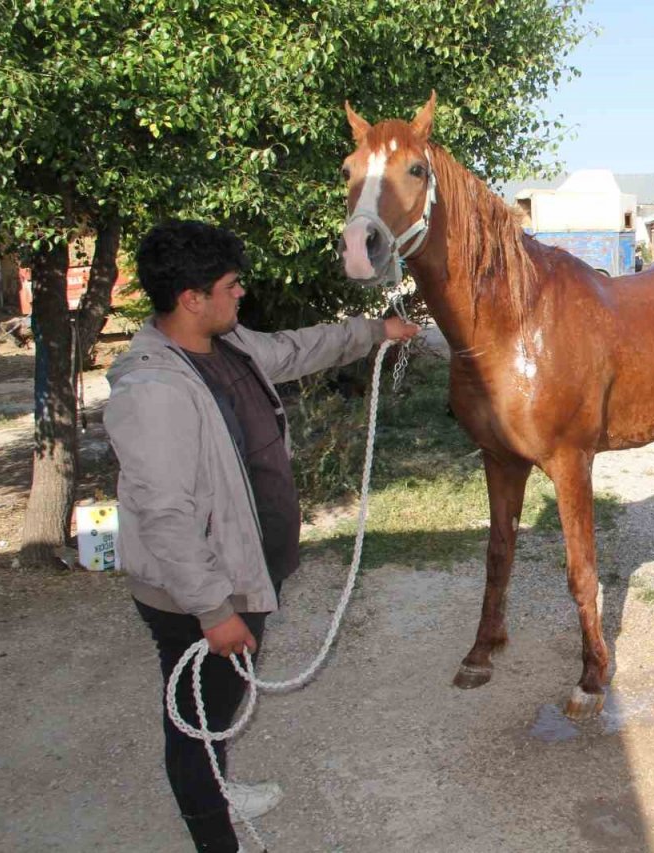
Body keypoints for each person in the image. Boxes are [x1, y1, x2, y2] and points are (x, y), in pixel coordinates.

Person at [104, 220, 418, 851]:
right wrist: (215, 612)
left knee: (219, 707)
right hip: (203, 594)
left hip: (243, 570)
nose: (240, 293)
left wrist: (375, 332)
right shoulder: (153, 390)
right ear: (192, 299)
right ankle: (215, 836)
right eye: (230, 285)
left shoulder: (229, 347)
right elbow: (166, 516)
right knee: (198, 722)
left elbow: (297, 349)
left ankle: (218, 784)